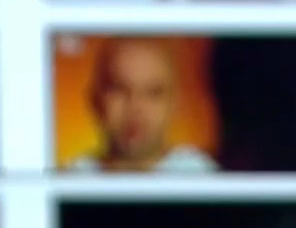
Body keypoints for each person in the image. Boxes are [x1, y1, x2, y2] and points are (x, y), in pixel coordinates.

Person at [64, 37, 218, 172]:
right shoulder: (73, 180)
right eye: (120, 89)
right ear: (96, 100)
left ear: (174, 103)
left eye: (153, 93)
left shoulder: (201, 176)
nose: (136, 108)